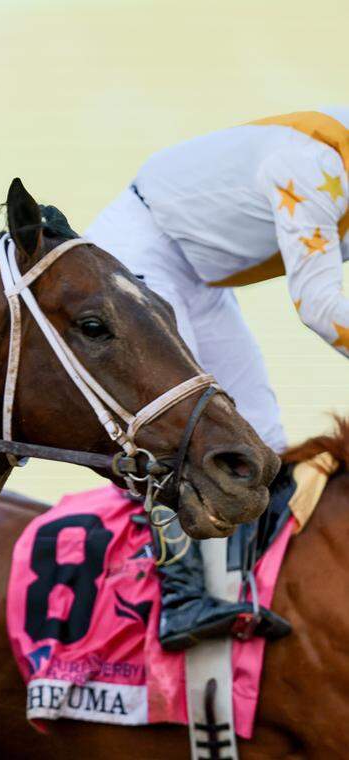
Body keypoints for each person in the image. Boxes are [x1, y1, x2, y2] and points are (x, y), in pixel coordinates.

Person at [86, 108, 349, 649]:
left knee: (262, 433)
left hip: (199, 273)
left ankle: (242, 584)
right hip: (141, 250)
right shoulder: (310, 167)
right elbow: (320, 304)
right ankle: (180, 598)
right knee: (179, 425)